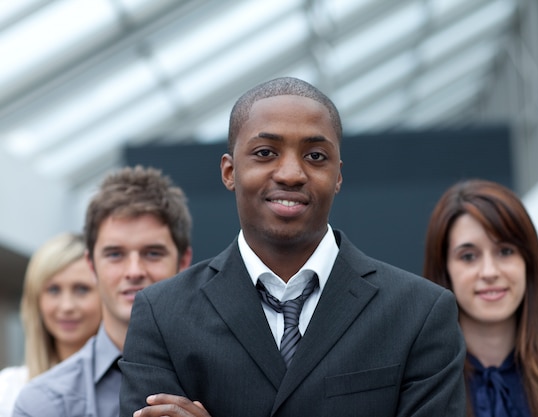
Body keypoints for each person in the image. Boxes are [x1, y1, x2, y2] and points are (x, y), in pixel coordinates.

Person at [119, 76, 466, 417]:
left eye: (315, 156)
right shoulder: (162, 315)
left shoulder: (419, 313)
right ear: (229, 171)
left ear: (338, 176)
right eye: (265, 152)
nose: (290, 173)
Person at [12, 165, 193, 417]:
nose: (134, 271)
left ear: (184, 262)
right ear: (91, 265)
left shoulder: (233, 376)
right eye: (115, 254)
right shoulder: (43, 404)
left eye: (152, 253)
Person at [422, 179, 538, 417]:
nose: (489, 272)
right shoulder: (422, 386)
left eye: (505, 251)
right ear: (443, 269)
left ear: (529, 263)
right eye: (468, 256)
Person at [0, 233, 101, 417]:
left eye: (81, 289)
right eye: (53, 290)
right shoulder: (7, 390)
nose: (67, 306)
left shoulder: (127, 385)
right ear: (36, 300)